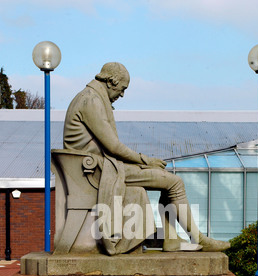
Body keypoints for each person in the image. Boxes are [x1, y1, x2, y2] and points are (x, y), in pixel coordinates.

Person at [63, 62, 230, 254]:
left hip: (101, 167)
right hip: (98, 171)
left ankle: (172, 238)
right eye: (122, 89)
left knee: (166, 179)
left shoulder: (91, 98)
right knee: (174, 182)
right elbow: (113, 146)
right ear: (111, 82)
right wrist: (145, 160)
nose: (122, 95)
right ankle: (198, 238)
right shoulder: (90, 100)